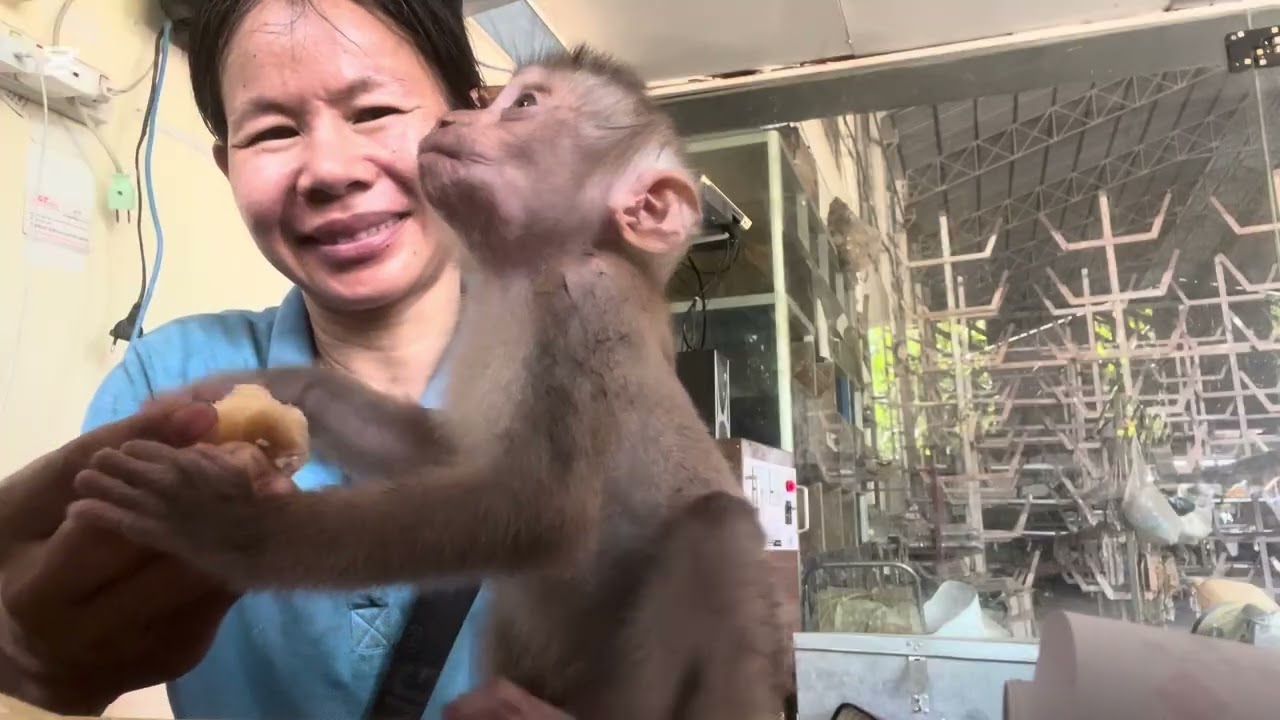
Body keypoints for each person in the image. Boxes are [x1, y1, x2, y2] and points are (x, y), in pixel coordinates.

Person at [0, 0, 560, 717]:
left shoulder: (583, 396)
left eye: (374, 112)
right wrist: (37, 672)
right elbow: (84, 640)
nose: (329, 170)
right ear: (227, 164)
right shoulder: (171, 382)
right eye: (272, 131)